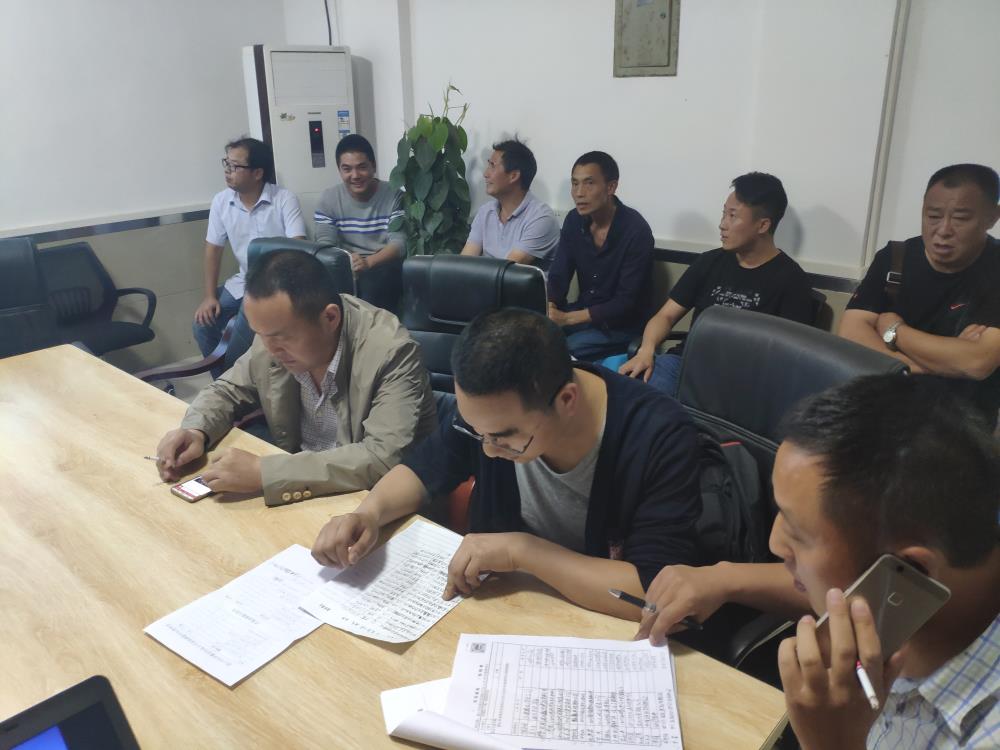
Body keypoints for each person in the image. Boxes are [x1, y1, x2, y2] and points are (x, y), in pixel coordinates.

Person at [639, 375, 999, 749]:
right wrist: (725, 578)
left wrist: (833, 743)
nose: (774, 543)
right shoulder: (937, 585)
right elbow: (840, 585)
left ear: (911, 571)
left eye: (798, 533)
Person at [311, 307, 702, 618]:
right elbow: (426, 468)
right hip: (507, 610)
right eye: (477, 431)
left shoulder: (659, 436)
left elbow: (654, 593)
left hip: (600, 630)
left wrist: (522, 552)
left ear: (566, 400)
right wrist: (369, 513)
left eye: (503, 439)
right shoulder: (490, 414)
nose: (487, 450)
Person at [157, 249, 436, 506]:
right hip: (301, 486)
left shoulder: (391, 352)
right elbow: (228, 389)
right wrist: (196, 430)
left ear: (330, 318)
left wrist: (265, 472)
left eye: (281, 338)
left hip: (375, 501)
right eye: (261, 334)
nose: (270, 349)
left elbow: (380, 458)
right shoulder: (273, 334)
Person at [620, 172, 814, 395]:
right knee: (628, 391)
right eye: (724, 213)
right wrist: (646, 350)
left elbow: (790, 356)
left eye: (733, 216)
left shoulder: (791, 280)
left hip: (742, 381)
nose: (722, 225)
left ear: (762, 225)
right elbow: (666, 316)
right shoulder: (709, 262)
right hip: (685, 364)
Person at [839, 163, 1000, 428]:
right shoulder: (894, 258)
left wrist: (894, 331)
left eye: (960, 219)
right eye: (933, 215)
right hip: (884, 409)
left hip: (962, 424)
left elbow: (977, 362)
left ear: (992, 217)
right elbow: (850, 333)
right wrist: (927, 367)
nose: (943, 230)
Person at [194, 137, 306, 368]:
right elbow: (213, 249)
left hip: (277, 284)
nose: (227, 171)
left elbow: (298, 247)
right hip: (243, 282)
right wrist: (209, 296)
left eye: (235, 166)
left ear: (257, 173)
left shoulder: (284, 199)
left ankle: (238, 381)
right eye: (226, 163)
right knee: (203, 325)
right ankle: (225, 382)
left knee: (240, 338)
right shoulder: (221, 202)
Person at [547, 151, 654, 361]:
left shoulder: (636, 230)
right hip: (582, 315)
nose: (579, 193)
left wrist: (567, 319)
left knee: (563, 349)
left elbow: (625, 302)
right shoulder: (574, 220)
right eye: (574, 184)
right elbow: (559, 275)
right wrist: (550, 306)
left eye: (589, 183)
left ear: (611, 187)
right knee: (530, 334)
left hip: (622, 327)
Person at [313, 134, 407, 313]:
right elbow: (325, 244)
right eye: (347, 169)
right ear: (339, 170)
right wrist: (347, 260)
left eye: (362, 167)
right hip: (345, 263)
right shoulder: (328, 199)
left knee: (376, 282)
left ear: (373, 166)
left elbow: (399, 244)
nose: (355, 175)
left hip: (382, 263)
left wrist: (368, 262)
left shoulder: (394, 194)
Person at [460, 138, 559, 269]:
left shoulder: (541, 218)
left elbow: (507, 271)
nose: (485, 174)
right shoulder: (485, 212)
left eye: (492, 166)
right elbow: (464, 264)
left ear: (513, 176)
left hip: (509, 280)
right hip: (485, 280)